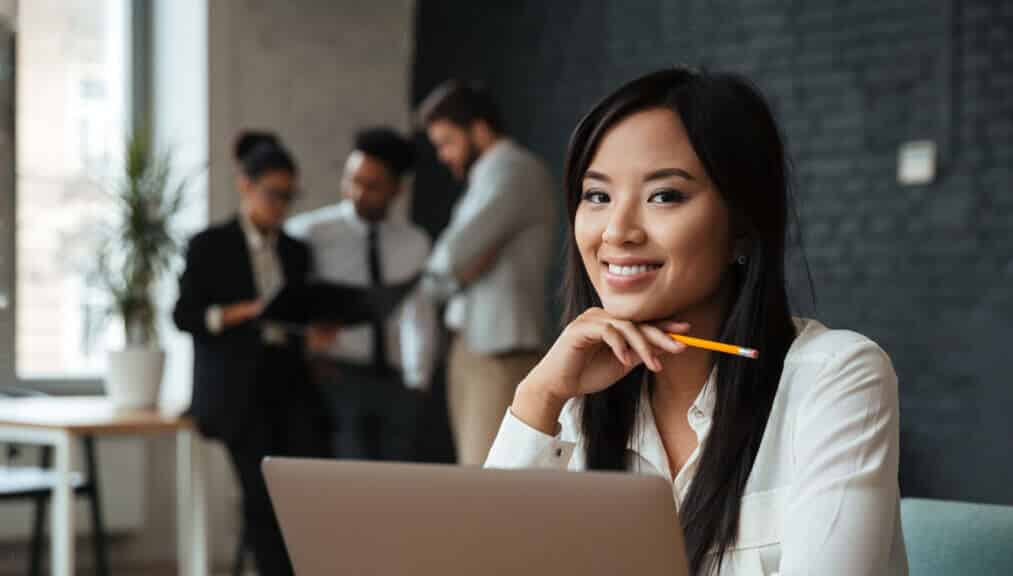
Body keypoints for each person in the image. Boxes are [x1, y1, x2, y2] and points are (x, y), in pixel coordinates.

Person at [484, 68, 908, 575]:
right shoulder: (575, 401)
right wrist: (539, 399)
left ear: (743, 226)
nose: (617, 231)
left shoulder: (835, 377)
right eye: (597, 196)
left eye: (664, 196)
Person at [173, 141, 324, 575]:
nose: (281, 205)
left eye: (288, 196)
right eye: (273, 193)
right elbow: (185, 316)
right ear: (245, 186)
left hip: (289, 382)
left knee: (307, 486)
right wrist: (243, 312)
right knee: (261, 496)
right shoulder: (210, 245)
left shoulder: (296, 251)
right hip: (236, 388)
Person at [417, 80, 555, 466]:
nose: (443, 156)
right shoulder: (489, 173)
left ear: (479, 129)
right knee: (474, 472)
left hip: (499, 351)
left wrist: (458, 268)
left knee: (487, 477)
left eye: (447, 142)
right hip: (477, 346)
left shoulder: (512, 169)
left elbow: (452, 257)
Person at [288, 127, 437, 461]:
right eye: (352, 179)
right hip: (338, 375)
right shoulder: (310, 233)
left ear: (397, 189)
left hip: (398, 381)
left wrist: (419, 380)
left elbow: (419, 314)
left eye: (372, 185)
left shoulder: (414, 241)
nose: (357, 192)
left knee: (396, 483)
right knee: (348, 480)